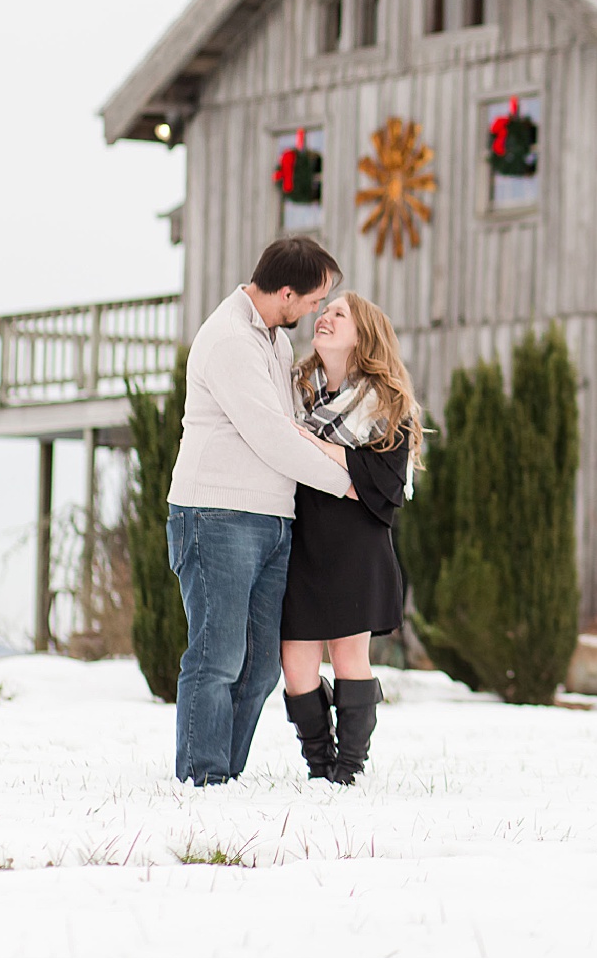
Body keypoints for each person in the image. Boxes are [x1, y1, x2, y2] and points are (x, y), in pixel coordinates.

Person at [167, 238, 352, 786]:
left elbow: (294, 427)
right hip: (217, 514)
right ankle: (202, 782)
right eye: (314, 299)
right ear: (286, 292)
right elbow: (273, 437)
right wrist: (349, 486)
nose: (315, 311)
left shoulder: (271, 338)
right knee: (218, 657)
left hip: (272, 519)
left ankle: (225, 775)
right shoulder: (230, 340)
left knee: (261, 667)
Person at [278, 293, 422, 784]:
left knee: (347, 657)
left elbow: (384, 485)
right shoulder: (293, 392)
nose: (325, 317)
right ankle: (320, 764)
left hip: (355, 547)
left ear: (363, 335)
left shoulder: (387, 405)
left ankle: (347, 771)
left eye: (340, 314)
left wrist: (318, 446)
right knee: (296, 668)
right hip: (301, 541)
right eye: (325, 310)